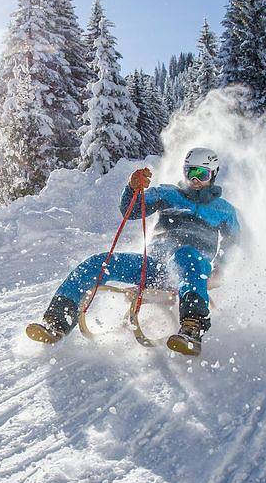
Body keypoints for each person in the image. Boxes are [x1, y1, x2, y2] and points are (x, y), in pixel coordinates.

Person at [26, 147, 241, 356]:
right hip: (155, 266)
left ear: (213, 175)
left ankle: (192, 330)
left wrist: (220, 269)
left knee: (186, 255)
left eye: (201, 174)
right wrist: (132, 187)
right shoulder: (168, 194)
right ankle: (56, 322)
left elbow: (233, 243)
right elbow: (132, 210)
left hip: (192, 271)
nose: (194, 180)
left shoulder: (224, 210)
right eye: (190, 172)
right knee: (99, 262)